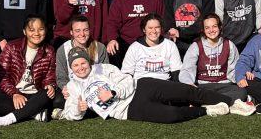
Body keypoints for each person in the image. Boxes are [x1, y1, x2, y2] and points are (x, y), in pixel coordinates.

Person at [54, 52, 235, 124]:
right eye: (75, 65)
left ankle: (233, 103)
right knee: (171, 116)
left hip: (141, 87)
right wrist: (79, 109)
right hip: (128, 109)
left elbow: (126, 80)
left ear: (88, 61)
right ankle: (205, 110)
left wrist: (113, 92)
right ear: (71, 68)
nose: (80, 68)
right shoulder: (73, 86)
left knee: (185, 90)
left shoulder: (103, 69)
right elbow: (70, 113)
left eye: (82, 63)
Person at [178, 13, 255, 114]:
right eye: (207, 28)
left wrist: (240, 78)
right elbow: (187, 69)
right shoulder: (196, 46)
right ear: (203, 30)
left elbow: (234, 69)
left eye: (214, 26)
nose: (211, 30)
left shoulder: (229, 45)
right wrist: (189, 84)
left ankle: (208, 104)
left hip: (224, 85)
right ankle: (232, 104)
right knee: (191, 93)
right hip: (203, 86)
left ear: (220, 27)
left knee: (242, 92)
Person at [0, 16, 59, 127]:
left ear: (45, 30)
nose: (36, 33)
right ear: (24, 32)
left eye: (40, 29)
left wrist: (49, 84)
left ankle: (8, 119)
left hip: (35, 94)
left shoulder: (49, 50)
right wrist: (14, 93)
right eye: (31, 30)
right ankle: (34, 113)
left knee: (47, 94)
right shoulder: (11, 47)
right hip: (14, 93)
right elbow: (2, 75)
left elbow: (50, 75)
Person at [102, 0, 165, 65]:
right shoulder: (120, 0)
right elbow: (112, 23)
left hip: (150, 42)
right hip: (127, 43)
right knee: (112, 50)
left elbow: (162, 20)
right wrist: (112, 39)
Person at [55, 15, 109, 112]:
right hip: (74, 88)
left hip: (94, 89)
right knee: (58, 101)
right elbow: (61, 76)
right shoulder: (63, 49)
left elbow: (105, 72)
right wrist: (65, 88)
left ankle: (88, 108)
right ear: (71, 32)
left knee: (108, 102)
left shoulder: (100, 47)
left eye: (86, 30)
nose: (82, 34)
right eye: (77, 31)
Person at [121, 14, 183, 82]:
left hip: (164, 85)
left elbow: (176, 71)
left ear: (161, 28)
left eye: (157, 27)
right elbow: (126, 74)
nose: (154, 31)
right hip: (141, 85)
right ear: (144, 29)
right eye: (150, 28)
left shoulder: (170, 45)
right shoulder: (135, 47)